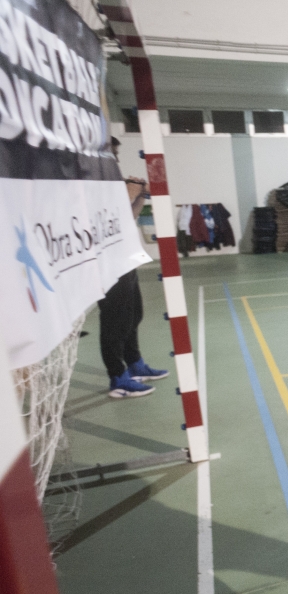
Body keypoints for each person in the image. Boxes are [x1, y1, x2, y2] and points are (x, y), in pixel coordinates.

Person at [100, 137, 168, 399]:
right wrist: (128, 193)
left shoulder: (112, 181)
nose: (116, 159)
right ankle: (118, 378)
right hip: (106, 263)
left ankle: (135, 364)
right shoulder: (93, 184)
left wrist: (138, 196)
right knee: (114, 321)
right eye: (113, 153)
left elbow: (128, 218)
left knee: (133, 315)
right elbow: (107, 220)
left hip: (125, 258)